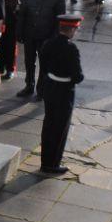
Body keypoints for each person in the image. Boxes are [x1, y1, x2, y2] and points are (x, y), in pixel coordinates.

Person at [39, 14, 85, 175]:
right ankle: (52, 164)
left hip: (50, 87)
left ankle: (45, 160)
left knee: (49, 124)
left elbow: (43, 66)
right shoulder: (71, 48)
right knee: (59, 128)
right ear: (72, 29)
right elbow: (78, 76)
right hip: (64, 91)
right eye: (76, 29)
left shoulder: (48, 43)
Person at [16, 0, 66, 99]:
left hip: (47, 36)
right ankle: (29, 86)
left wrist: (55, 37)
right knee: (29, 62)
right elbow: (22, 14)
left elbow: (60, 19)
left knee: (45, 64)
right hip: (30, 34)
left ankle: (41, 90)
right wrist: (19, 32)